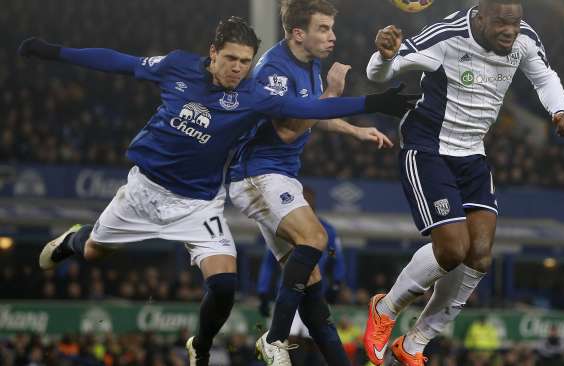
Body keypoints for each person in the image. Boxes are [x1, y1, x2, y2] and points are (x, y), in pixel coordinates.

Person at [18, 17, 413, 366]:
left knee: (224, 284)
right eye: (231, 59)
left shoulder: (254, 95)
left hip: (199, 204)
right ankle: (73, 239)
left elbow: (310, 110)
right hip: (143, 192)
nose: (238, 69)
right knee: (93, 252)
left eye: (245, 61)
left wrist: (374, 102)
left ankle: (201, 346)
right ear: (213, 53)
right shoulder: (177, 68)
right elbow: (119, 62)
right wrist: (53, 52)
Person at [362, 0, 564, 365]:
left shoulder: (523, 39)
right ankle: (385, 309)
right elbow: (382, 73)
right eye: (501, 24)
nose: (510, 31)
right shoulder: (447, 36)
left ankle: (414, 343)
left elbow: (544, 76)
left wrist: (561, 110)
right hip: (428, 147)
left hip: (472, 154)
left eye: (516, 23)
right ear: (479, 18)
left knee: (478, 255)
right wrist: (384, 56)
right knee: (451, 250)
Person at [227, 1, 393, 365]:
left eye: (332, 28)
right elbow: (288, 131)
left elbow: (313, 114)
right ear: (298, 34)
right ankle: (274, 339)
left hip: (280, 175)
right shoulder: (274, 69)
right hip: (256, 173)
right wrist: (332, 95)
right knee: (316, 239)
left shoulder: (309, 62)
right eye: (323, 29)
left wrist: (355, 130)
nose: (332, 37)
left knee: (313, 288)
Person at [257, 186, 346, 366]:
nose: (307, 201)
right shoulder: (282, 227)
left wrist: (336, 284)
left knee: (314, 340)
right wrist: (263, 292)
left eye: (310, 198)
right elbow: (269, 262)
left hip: (314, 289)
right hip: (288, 290)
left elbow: (336, 258)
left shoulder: (327, 230)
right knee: (289, 339)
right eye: (303, 198)